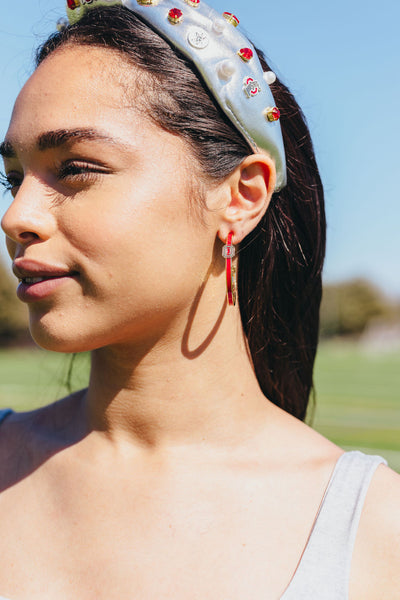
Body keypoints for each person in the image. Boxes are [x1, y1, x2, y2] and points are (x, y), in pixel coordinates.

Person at [0, 1, 399, 598]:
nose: (17, 216)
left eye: (77, 167)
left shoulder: (374, 534)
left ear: (241, 196)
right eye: (14, 178)